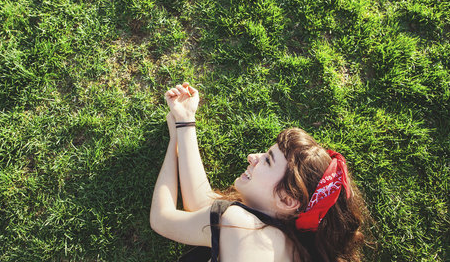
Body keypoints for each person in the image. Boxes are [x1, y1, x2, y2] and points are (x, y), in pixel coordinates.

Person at [150, 82, 369, 262]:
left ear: (287, 200)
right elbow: (200, 205)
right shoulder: (294, 247)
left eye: (267, 160)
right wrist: (184, 123)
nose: (252, 157)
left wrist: (173, 144)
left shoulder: (243, 228)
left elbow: (162, 219)